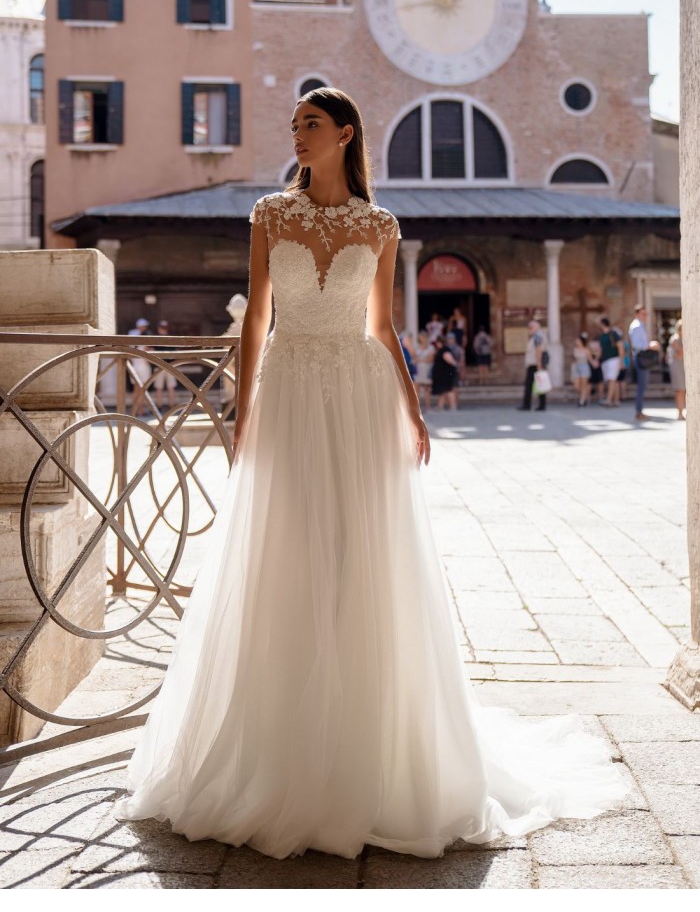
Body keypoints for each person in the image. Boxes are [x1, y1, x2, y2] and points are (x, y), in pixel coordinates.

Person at [113, 87, 630, 860]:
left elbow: (382, 326)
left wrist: (414, 407)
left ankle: (376, 745)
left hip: (359, 394)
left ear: (345, 134)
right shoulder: (269, 215)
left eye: (311, 125)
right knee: (287, 545)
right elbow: (256, 317)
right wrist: (240, 408)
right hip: (287, 388)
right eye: (294, 125)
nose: (298, 134)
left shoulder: (380, 225)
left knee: (363, 552)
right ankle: (279, 742)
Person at [629, 303, 659, 422]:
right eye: (643, 313)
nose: (645, 316)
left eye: (646, 313)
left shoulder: (640, 325)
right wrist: (650, 345)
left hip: (642, 357)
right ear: (637, 314)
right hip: (640, 358)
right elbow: (637, 345)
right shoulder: (636, 326)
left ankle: (639, 411)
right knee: (641, 386)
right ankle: (638, 412)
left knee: (643, 386)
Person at [517, 320, 547, 411]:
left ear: (535, 328)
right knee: (539, 384)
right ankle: (541, 405)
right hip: (535, 364)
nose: (529, 330)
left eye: (530, 328)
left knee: (530, 385)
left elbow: (539, 350)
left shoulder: (537, 336)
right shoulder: (539, 336)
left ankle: (527, 405)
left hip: (535, 364)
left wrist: (538, 364)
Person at [127, 317, 152, 416]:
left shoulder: (132, 335)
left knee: (137, 389)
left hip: (136, 366)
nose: (145, 328)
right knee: (141, 389)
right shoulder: (143, 336)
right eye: (143, 326)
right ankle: (139, 410)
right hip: (141, 366)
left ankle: (137, 410)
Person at [597, 316, 624, 407]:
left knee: (612, 379)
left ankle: (608, 400)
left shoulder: (613, 334)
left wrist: (621, 360)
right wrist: (597, 359)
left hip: (614, 359)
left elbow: (620, 346)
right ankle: (616, 400)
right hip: (605, 360)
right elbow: (601, 349)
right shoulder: (602, 336)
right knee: (611, 381)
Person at [153, 319, 178, 411]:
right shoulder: (170, 339)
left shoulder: (156, 339)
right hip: (168, 365)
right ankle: (169, 406)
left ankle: (161, 406)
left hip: (162, 365)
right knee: (168, 387)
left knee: (163, 387)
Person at [431, 335, 459, 410]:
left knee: (448, 390)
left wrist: (455, 367)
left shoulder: (444, 350)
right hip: (442, 375)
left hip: (446, 375)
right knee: (442, 391)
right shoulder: (441, 350)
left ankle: (453, 406)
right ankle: (440, 406)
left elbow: (450, 360)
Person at [667, 319, 685, 420]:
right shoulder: (675, 339)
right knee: (679, 390)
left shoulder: (682, 338)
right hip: (677, 366)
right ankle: (680, 412)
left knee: (682, 390)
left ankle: (681, 411)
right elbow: (680, 353)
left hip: (681, 366)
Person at [414, 329, 435, 409]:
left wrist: (420, 359)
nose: (423, 338)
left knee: (427, 389)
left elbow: (431, 359)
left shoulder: (430, 348)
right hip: (418, 369)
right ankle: (417, 407)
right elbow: (414, 357)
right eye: (421, 337)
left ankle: (428, 406)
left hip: (426, 369)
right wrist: (422, 359)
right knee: (416, 388)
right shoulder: (416, 347)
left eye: (424, 337)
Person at [572, 332, 592, 406]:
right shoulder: (575, 349)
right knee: (576, 386)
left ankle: (582, 400)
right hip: (577, 367)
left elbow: (590, 359)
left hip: (584, 367)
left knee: (584, 384)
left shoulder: (587, 350)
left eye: (578, 341)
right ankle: (586, 395)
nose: (576, 342)